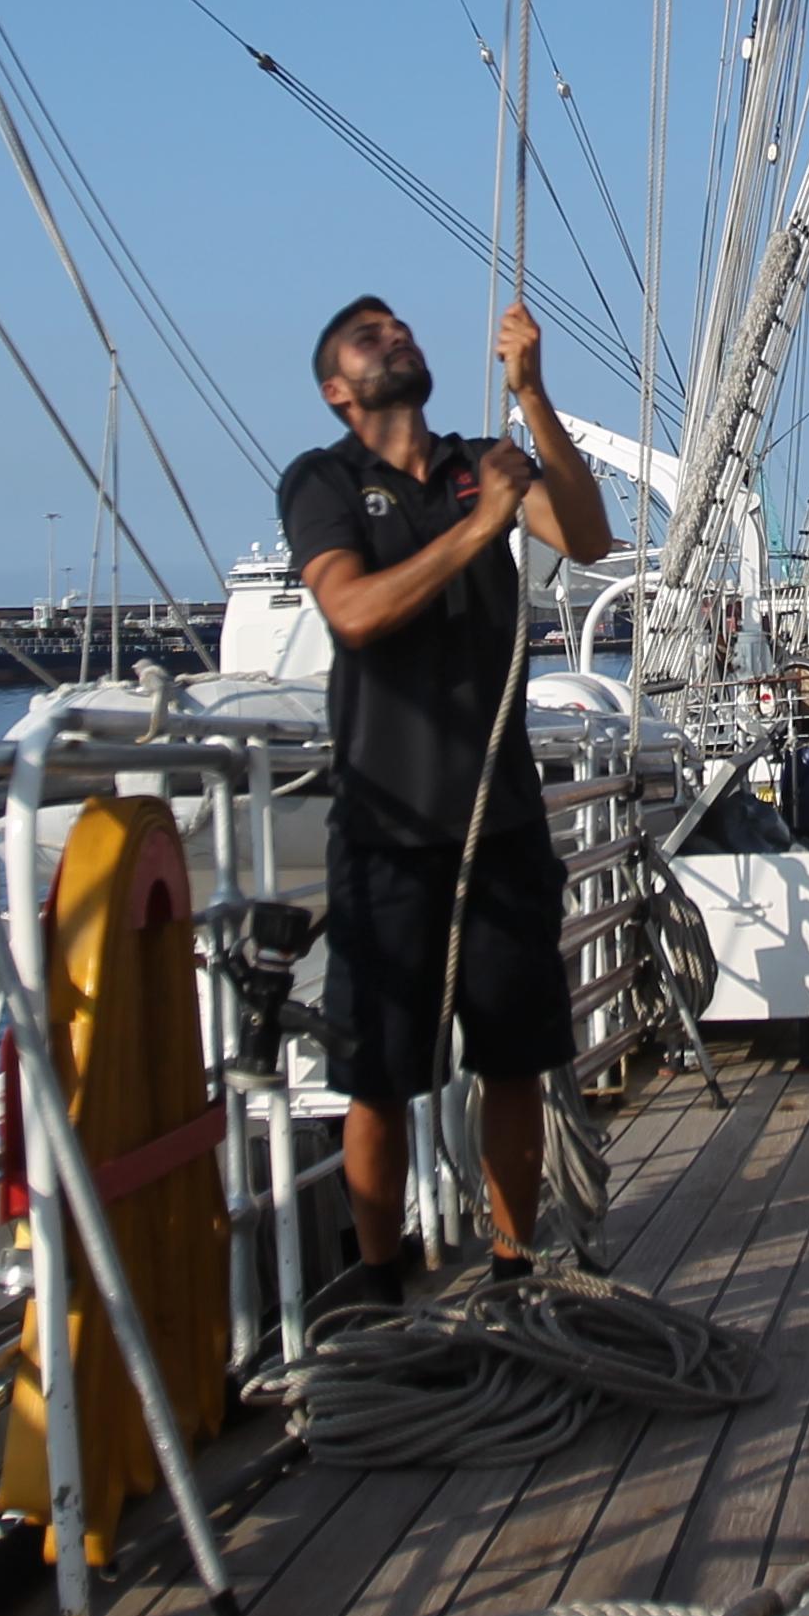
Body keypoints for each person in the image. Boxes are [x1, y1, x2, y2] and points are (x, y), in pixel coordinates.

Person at [275, 294, 616, 1303]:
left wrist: (534, 400)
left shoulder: (483, 462)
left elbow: (590, 539)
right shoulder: (326, 482)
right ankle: (382, 1282)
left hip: (500, 817)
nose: (397, 338)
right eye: (368, 339)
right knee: (379, 1077)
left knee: (513, 1058)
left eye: (400, 328)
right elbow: (353, 611)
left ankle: (513, 1266)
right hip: (387, 825)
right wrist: (481, 529)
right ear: (340, 390)